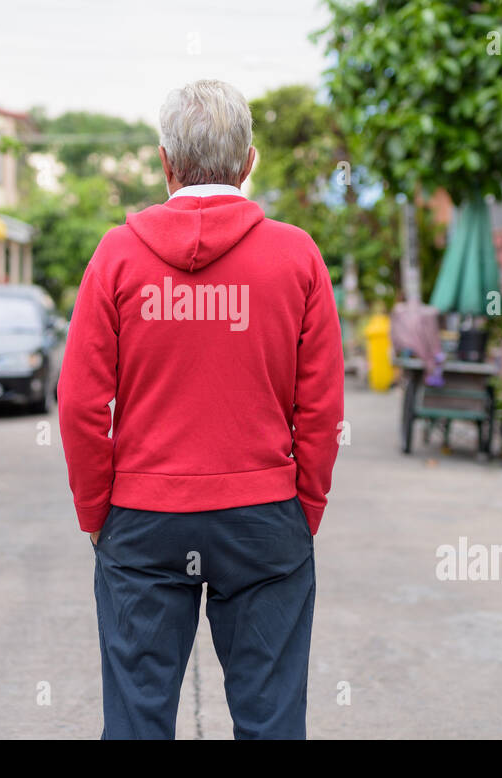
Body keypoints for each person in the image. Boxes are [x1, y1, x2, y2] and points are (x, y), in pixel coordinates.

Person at [57, 79, 345, 740]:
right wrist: (304, 508)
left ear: (164, 163)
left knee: (136, 719)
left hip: (143, 520)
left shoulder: (117, 255)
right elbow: (322, 407)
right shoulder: (297, 256)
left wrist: (96, 511)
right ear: (248, 162)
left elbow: (77, 403)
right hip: (264, 518)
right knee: (271, 720)